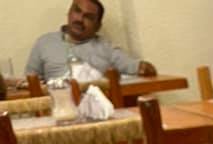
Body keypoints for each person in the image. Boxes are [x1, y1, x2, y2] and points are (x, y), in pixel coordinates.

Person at [25, 0, 157, 82]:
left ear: (97, 26)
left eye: (88, 17)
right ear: (69, 13)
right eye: (77, 11)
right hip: (58, 109)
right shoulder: (44, 43)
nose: (79, 19)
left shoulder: (106, 47)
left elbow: (144, 69)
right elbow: (28, 82)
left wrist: (143, 69)